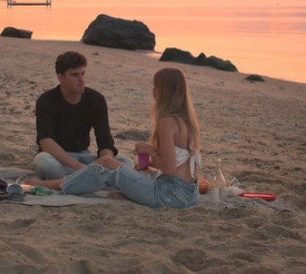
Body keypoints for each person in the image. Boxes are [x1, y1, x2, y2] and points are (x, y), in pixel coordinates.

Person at [31, 67, 201, 209]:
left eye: (155, 86)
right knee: (118, 167)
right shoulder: (187, 121)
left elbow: (169, 169)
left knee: (106, 162)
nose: (153, 90)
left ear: (160, 91)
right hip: (189, 194)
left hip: (168, 195)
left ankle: (52, 184)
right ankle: (126, 191)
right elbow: (177, 163)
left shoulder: (167, 122)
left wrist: (152, 153)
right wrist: (147, 164)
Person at [33, 51, 133, 179]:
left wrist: (106, 161)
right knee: (43, 162)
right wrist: (78, 167)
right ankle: (90, 178)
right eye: (75, 75)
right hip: (56, 157)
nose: (81, 80)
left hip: (84, 156)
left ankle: (81, 178)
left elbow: (105, 142)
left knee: (127, 162)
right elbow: (45, 141)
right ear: (61, 77)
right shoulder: (46, 100)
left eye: (83, 73)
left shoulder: (96, 100)